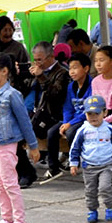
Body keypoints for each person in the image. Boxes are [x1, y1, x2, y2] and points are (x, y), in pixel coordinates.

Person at [0, 52, 39, 223]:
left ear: (4, 71)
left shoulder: (12, 95)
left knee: (10, 183)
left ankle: (20, 222)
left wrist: (33, 145)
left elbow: (24, 121)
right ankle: (6, 219)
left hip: (5, 144)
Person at [69, 95, 112, 223]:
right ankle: (92, 210)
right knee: (90, 190)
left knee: (105, 187)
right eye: (90, 114)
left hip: (106, 165)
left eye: (97, 113)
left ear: (105, 112)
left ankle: (110, 208)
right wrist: (73, 163)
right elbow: (75, 148)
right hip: (89, 166)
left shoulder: (109, 129)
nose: (93, 117)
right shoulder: (83, 130)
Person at [45, 52, 93, 180]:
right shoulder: (71, 86)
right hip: (71, 120)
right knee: (51, 133)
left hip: (86, 119)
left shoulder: (92, 85)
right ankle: (53, 168)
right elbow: (67, 107)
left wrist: (69, 124)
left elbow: (88, 111)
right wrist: (66, 122)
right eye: (70, 68)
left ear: (86, 68)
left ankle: (77, 163)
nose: (72, 71)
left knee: (72, 133)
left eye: (75, 68)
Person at [27, 41, 70, 178]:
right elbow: (26, 89)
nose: (37, 63)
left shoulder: (62, 72)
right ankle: (24, 167)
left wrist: (41, 76)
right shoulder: (40, 71)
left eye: (40, 60)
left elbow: (56, 95)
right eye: (35, 60)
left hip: (55, 115)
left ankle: (53, 167)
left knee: (51, 133)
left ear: (51, 56)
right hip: (39, 112)